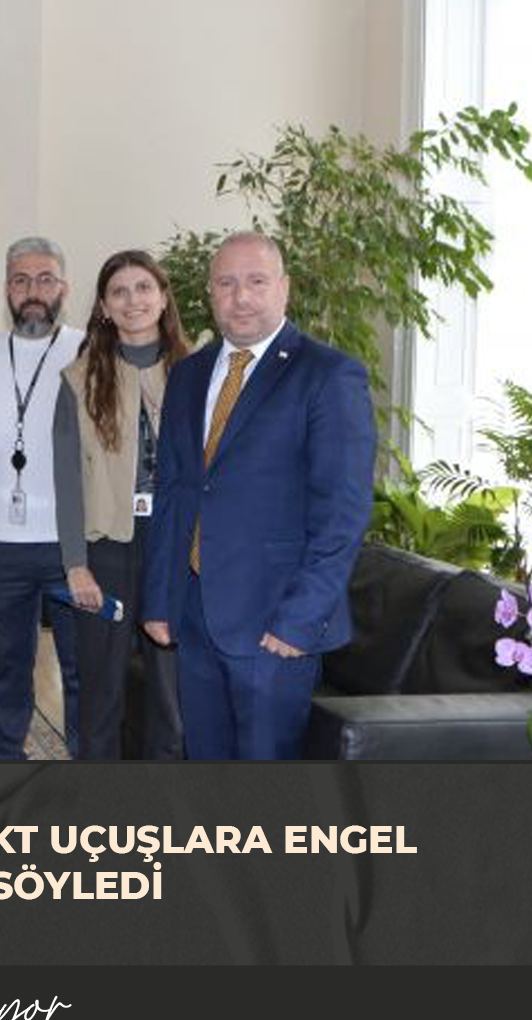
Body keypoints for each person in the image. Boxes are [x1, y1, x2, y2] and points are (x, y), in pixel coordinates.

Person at [142, 232, 375, 759]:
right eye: (226, 283)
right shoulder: (188, 374)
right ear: (210, 292)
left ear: (284, 288)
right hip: (195, 614)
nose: (241, 296)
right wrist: (160, 598)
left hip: (276, 625)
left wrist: (300, 620)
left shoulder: (329, 375)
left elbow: (343, 512)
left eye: (256, 281)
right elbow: (172, 492)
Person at [53, 249, 187, 760]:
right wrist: (75, 565)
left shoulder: (197, 372)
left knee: (171, 700)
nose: (133, 300)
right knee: (101, 698)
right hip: (106, 551)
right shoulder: (79, 378)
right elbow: (66, 479)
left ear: (163, 298)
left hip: (174, 551)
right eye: (119, 292)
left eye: (144, 288)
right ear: (104, 307)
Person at [0, 236, 82, 760]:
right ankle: (5, 761)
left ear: (64, 288)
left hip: (75, 546)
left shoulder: (89, 352)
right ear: (7, 289)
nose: (34, 291)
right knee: (7, 666)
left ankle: (88, 767)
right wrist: (2, 485)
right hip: (0, 544)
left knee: (81, 670)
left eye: (45, 279)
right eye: (21, 280)